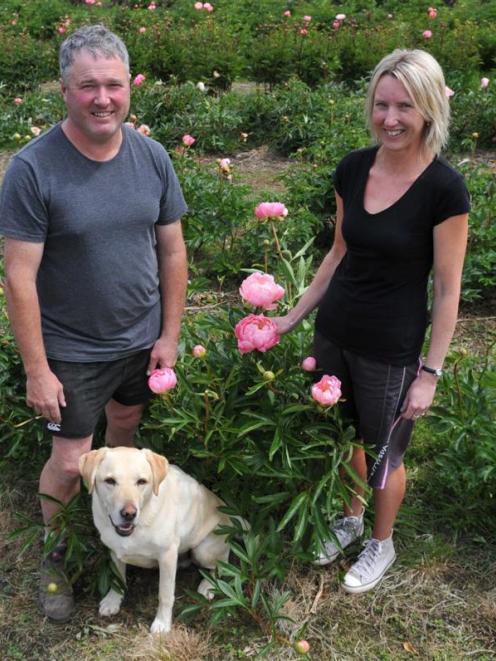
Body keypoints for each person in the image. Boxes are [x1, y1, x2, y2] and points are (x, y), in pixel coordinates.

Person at [0, 25, 188, 621]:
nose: (102, 98)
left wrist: (170, 334)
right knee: (68, 459)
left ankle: (118, 533)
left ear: (128, 87)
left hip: (140, 339)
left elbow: (173, 253)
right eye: (88, 87)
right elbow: (19, 277)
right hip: (73, 351)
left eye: (113, 84)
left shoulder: (151, 156)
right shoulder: (33, 169)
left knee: (123, 437)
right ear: (64, 91)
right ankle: (55, 557)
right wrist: (37, 368)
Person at [274, 49, 470, 593]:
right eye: (382, 104)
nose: (390, 118)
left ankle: (381, 542)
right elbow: (337, 253)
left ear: (428, 109)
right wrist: (292, 317)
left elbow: (449, 289)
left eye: (404, 106)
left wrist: (429, 372)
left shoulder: (444, 189)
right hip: (336, 329)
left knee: (385, 447)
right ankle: (350, 517)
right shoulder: (354, 168)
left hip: (391, 344)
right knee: (343, 438)